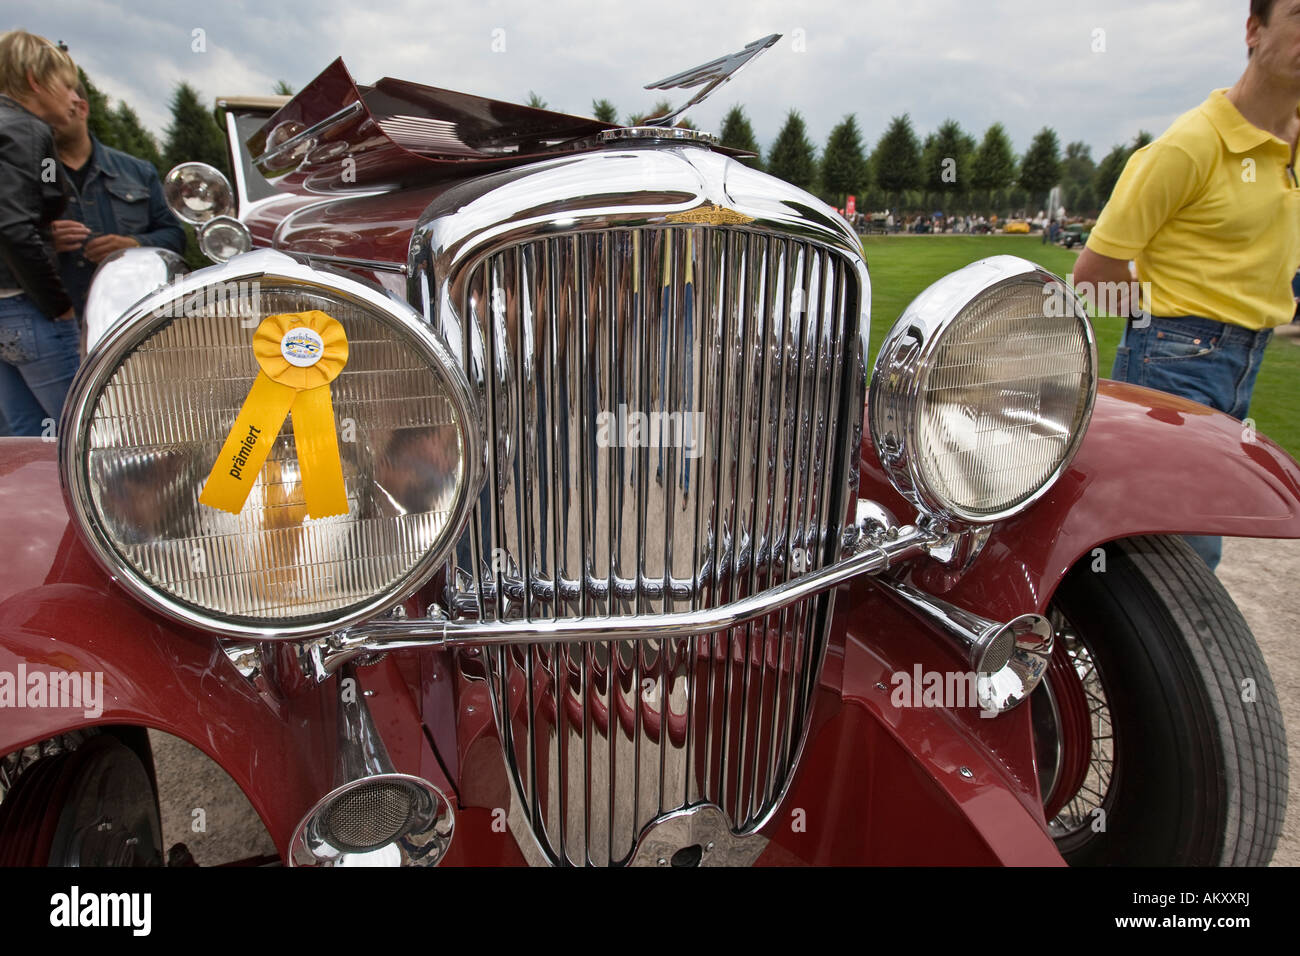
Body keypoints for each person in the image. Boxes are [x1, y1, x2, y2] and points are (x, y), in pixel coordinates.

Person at [1074, 0, 1300, 571]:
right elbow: (1092, 278)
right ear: (1254, 30)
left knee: (1192, 531)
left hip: (1247, 355)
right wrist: (1168, 319)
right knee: (1177, 551)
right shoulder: (1189, 146)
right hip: (1174, 359)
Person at [0, 30, 80, 437]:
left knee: (25, 438)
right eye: (67, 86)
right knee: (82, 437)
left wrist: (44, 232)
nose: (73, 98)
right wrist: (57, 305)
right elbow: (12, 228)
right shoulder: (27, 131)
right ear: (35, 80)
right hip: (27, 308)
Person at [51, 85, 185, 318]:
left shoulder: (138, 172)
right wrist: (44, 239)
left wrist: (133, 244)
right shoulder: (33, 175)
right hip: (57, 320)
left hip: (128, 319)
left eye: (50, 109)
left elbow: (175, 237)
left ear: (81, 108)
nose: (43, 118)